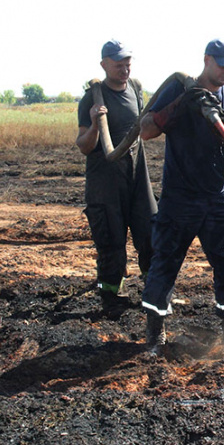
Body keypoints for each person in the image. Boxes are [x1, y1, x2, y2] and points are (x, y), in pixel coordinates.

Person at [139, 38, 224, 353]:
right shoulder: (178, 88)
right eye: (223, 65)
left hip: (219, 196)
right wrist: (177, 108)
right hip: (180, 197)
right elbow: (145, 130)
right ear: (207, 60)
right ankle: (155, 332)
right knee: (166, 262)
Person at [76, 40, 157, 317]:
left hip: (137, 175)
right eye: (118, 64)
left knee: (150, 233)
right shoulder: (92, 97)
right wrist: (95, 124)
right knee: (111, 241)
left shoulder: (135, 89)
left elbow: (144, 129)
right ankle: (111, 298)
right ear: (104, 65)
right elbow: (84, 145)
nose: (124, 69)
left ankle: (155, 291)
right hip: (105, 180)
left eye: (127, 64)